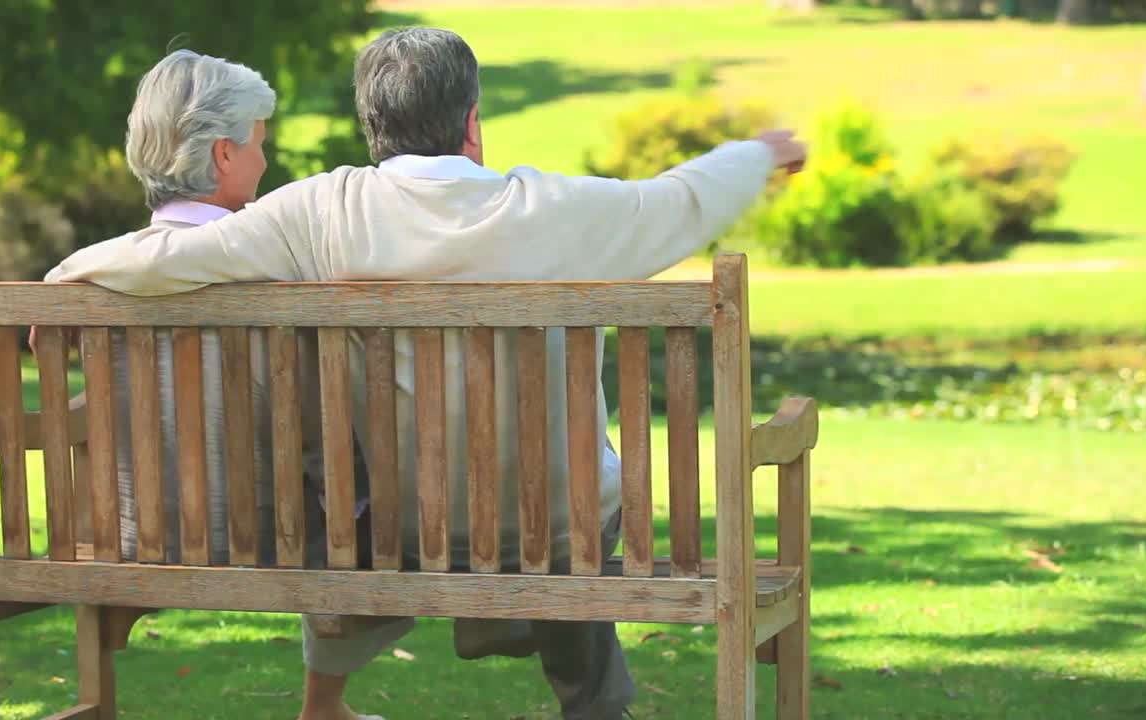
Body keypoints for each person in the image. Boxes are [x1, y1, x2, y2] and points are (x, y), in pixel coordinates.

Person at [45, 27, 807, 720]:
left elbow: (176, 254)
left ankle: (499, 640)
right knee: (569, 502)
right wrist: (759, 153)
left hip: (405, 529)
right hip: (558, 528)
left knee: (394, 482)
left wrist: (65, 275)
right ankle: (586, 695)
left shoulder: (321, 209)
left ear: (373, 126)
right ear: (470, 123)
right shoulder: (550, 209)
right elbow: (678, 201)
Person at [34, 49, 387, 720]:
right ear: (224, 155)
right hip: (272, 537)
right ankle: (323, 705)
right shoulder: (274, 277)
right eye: (259, 142)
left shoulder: (102, 280)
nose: (265, 158)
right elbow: (322, 426)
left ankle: (94, 697)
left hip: (133, 536)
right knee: (360, 505)